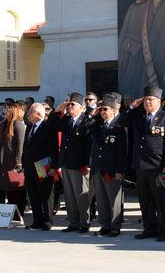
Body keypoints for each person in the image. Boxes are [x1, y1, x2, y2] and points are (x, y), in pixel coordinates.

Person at [124, 86, 165, 242]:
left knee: (160, 201)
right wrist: (133, 106)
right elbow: (122, 121)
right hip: (141, 165)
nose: (147, 102)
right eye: (145, 99)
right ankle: (149, 228)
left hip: (157, 166)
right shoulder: (139, 117)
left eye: (151, 99)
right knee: (145, 200)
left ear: (159, 101)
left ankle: (162, 230)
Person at [90, 93, 128, 237]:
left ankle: (115, 226)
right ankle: (105, 224)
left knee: (114, 199)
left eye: (106, 109)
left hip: (112, 169)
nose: (103, 112)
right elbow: (85, 129)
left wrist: (119, 170)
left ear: (113, 110)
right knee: (101, 199)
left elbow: (122, 152)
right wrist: (92, 115)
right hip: (98, 168)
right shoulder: (99, 125)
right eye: (101, 109)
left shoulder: (119, 127)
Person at [55, 92, 93, 233]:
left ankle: (84, 223)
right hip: (66, 163)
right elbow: (53, 124)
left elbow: (89, 145)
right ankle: (73, 222)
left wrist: (87, 164)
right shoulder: (66, 120)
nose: (70, 106)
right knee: (69, 196)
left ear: (82, 108)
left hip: (79, 165)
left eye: (73, 104)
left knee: (81, 195)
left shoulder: (87, 121)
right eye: (69, 104)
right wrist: (60, 107)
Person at [23, 103, 59, 230]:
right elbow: (26, 147)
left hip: (43, 165)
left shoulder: (47, 127)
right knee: (33, 194)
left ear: (38, 114)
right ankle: (37, 220)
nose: (28, 115)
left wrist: (54, 166)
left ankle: (47, 220)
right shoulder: (29, 126)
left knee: (45, 193)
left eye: (30, 112)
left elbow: (53, 148)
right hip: (29, 167)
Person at [0, 102, 27, 218]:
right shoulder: (5, 124)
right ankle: (11, 211)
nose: (6, 111)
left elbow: (20, 145)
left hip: (14, 162)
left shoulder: (18, 124)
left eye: (9, 109)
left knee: (16, 188)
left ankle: (18, 211)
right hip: (5, 161)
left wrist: (18, 162)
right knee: (8, 188)